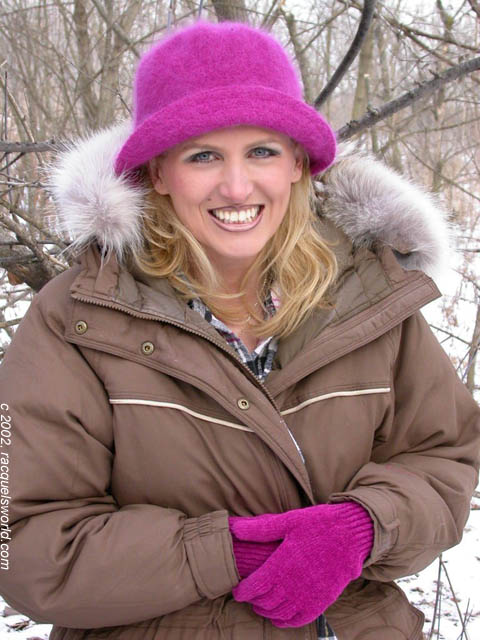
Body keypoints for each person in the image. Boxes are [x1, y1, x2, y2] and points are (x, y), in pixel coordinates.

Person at [0, 18, 479, 640]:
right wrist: (231, 552)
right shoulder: (78, 319)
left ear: (297, 165)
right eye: (203, 156)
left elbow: (443, 456)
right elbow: (24, 539)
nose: (235, 186)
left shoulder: (371, 299)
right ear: (157, 173)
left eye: (262, 151)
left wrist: (363, 526)